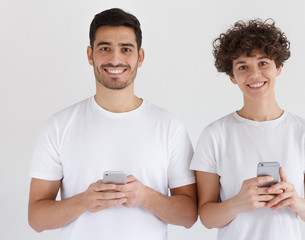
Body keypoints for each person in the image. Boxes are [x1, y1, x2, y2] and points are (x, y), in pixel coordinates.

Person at [28, 8, 197, 240]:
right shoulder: (59, 125)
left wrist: (145, 197)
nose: (115, 59)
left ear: (140, 57)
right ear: (90, 55)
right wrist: (83, 201)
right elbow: (36, 219)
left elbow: (189, 216)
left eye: (126, 49)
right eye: (105, 48)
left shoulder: (169, 126)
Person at [190, 19, 305, 240]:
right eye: (243, 66)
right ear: (232, 77)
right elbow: (206, 216)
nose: (254, 75)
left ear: (278, 68)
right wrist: (237, 203)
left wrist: (296, 202)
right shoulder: (215, 134)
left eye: (263, 63)